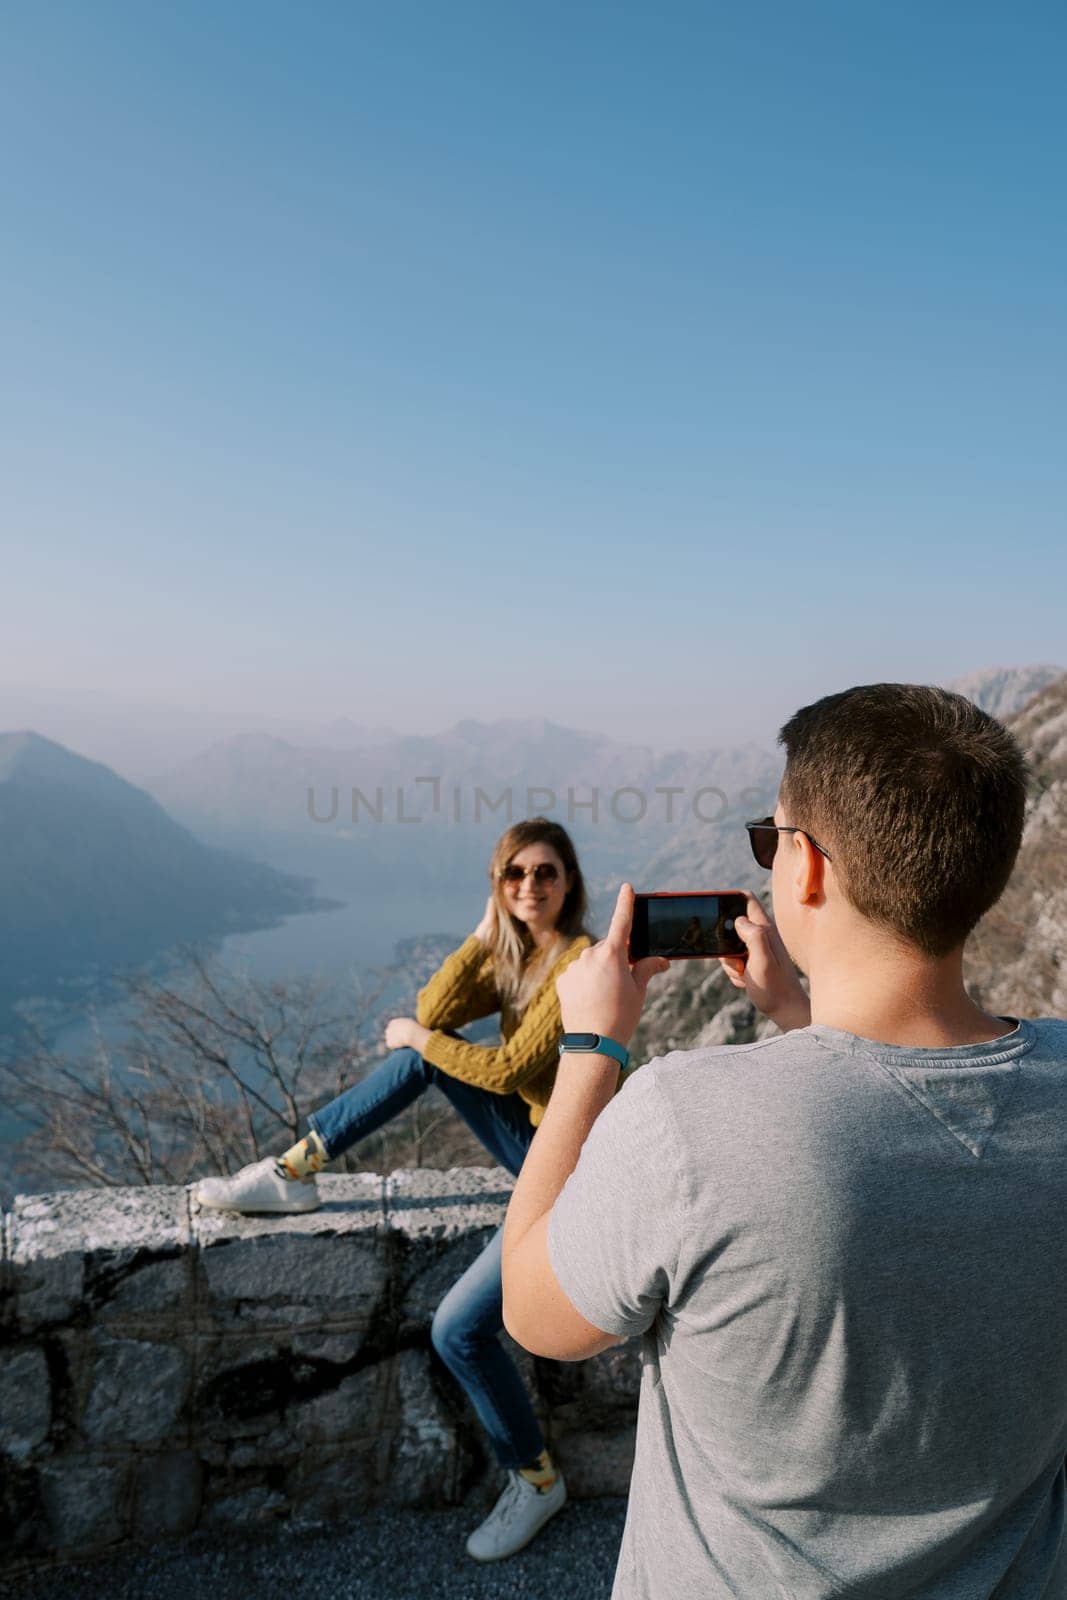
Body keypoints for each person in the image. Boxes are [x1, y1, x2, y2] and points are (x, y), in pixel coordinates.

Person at [501, 683, 1067, 1599]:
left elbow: (534, 1315)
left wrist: (588, 1050)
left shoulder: (686, 1118)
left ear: (803, 870)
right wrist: (801, 1018)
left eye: (769, 840)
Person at [195, 817, 598, 1563]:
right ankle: (293, 1171)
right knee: (429, 1054)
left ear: (569, 881)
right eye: (513, 874)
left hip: (568, 1175)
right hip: (535, 1148)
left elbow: (504, 1071)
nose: (529, 886)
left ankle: (537, 1481)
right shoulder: (520, 955)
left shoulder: (577, 964)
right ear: (497, 884)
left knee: (458, 1330)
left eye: (545, 872)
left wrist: (419, 1041)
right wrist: (483, 936)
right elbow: (435, 1007)